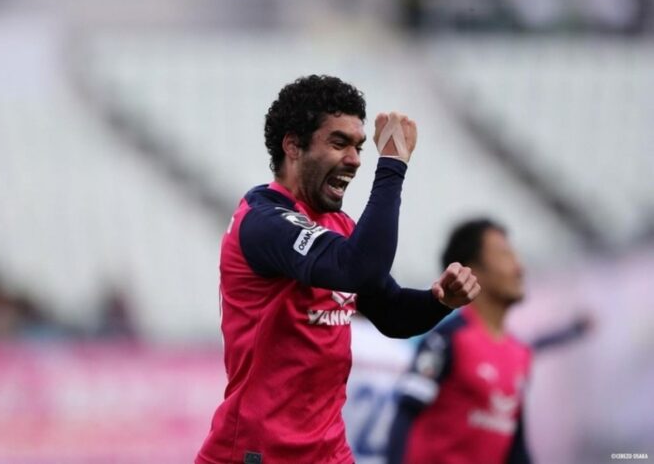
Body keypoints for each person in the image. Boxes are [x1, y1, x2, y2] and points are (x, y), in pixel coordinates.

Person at [195, 75, 480, 464]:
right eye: (339, 143)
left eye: (360, 146)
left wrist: (439, 301)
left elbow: (391, 312)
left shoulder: (338, 228)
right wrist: (392, 163)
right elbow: (358, 270)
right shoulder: (261, 221)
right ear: (293, 146)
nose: (356, 159)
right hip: (257, 453)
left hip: (328, 452)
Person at [387, 218, 591, 464]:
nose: (520, 268)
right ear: (471, 272)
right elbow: (405, 414)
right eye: (505, 255)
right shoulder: (446, 341)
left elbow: (515, 446)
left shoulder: (520, 354)